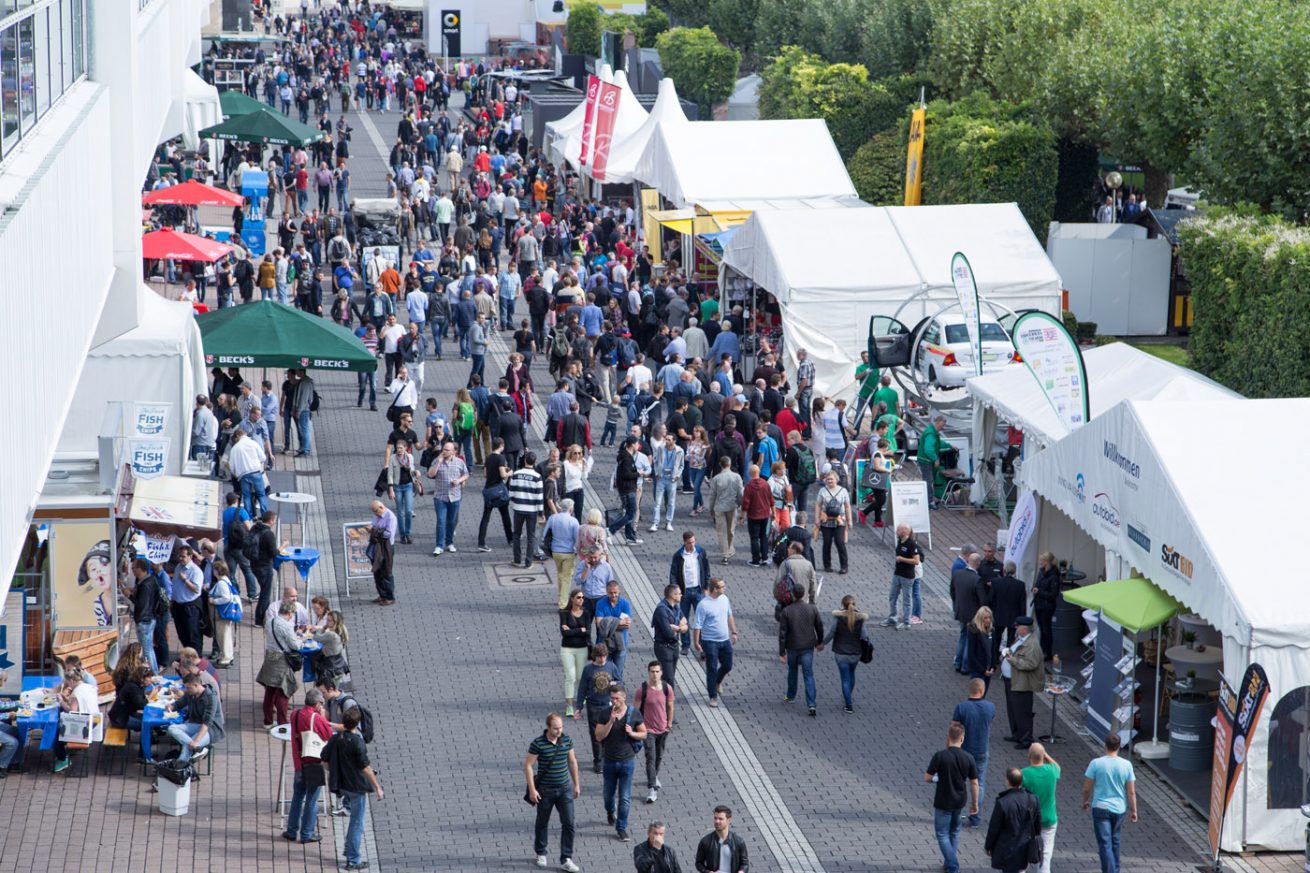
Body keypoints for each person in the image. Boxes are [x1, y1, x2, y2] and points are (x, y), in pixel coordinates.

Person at [323, 707, 384, 871]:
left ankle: (349, 850)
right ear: (356, 724)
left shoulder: (336, 739)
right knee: (357, 823)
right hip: (356, 787)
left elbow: (324, 759)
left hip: (341, 785)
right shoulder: (358, 742)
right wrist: (377, 787)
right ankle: (353, 859)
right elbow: (365, 768)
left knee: (355, 821)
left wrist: (335, 769)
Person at [525, 712, 583, 873]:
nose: (559, 731)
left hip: (564, 788)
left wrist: (576, 784)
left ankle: (566, 858)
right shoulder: (538, 743)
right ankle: (541, 851)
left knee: (569, 823)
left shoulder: (566, 740)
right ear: (548, 727)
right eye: (556, 728)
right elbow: (528, 766)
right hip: (546, 789)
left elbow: (572, 761)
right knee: (542, 822)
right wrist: (532, 789)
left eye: (561, 727)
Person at [594, 684, 647, 843]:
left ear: (624, 697)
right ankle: (610, 811)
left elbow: (644, 733)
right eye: (612, 698)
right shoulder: (605, 713)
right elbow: (598, 736)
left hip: (627, 762)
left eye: (617, 698)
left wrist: (632, 733)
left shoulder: (633, 713)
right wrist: (610, 721)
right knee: (608, 795)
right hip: (609, 761)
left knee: (624, 797)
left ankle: (621, 827)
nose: (614, 701)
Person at [925, 723, 980, 873]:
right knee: (954, 831)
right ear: (962, 738)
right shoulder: (968, 757)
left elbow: (927, 777)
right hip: (959, 800)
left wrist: (936, 778)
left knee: (942, 833)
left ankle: (953, 865)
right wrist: (975, 803)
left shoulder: (940, 756)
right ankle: (949, 862)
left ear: (948, 737)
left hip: (943, 800)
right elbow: (974, 782)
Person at [284, 688, 333, 844]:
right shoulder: (316, 718)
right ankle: (307, 833)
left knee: (297, 797)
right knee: (312, 799)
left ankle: (291, 831)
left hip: (299, 762)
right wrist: (323, 716)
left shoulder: (295, 714)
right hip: (313, 764)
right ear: (318, 704)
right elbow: (328, 735)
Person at [1083, 734, 1136, 873]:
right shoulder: (1127, 765)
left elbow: (1087, 787)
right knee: (1115, 840)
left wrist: (1085, 801)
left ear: (1105, 745)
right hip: (1119, 808)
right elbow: (1131, 792)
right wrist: (1134, 810)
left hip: (1100, 807)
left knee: (1105, 843)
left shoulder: (1096, 763)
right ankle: (1115, 870)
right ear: (1118, 747)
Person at [953, 677, 997, 827]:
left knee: (959, 783)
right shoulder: (990, 707)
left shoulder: (961, 707)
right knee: (979, 783)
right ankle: (975, 817)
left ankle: (957, 816)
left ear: (969, 690)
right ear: (982, 690)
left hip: (965, 750)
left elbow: (954, 728)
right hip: (982, 750)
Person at [778, 578, 825, 716]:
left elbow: (782, 633)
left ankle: (791, 695)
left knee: (792, 670)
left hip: (792, 646)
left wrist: (781, 651)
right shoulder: (812, 608)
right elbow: (819, 626)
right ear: (804, 594)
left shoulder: (787, 611)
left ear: (792, 594)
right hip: (807, 646)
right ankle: (811, 704)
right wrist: (819, 641)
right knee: (808, 674)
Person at [984, 768, 1042, 873]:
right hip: (1025, 848)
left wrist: (989, 846)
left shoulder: (1003, 802)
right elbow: (1037, 825)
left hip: (1007, 849)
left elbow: (994, 828)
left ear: (1008, 781)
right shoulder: (1033, 799)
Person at [691, 577, 737, 708]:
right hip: (709, 642)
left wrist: (734, 632)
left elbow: (729, 615)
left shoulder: (724, 599)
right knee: (711, 668)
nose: (725, 588)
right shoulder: (703, 605)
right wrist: (696, 642)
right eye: (722, 586)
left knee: (727, 665)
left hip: (725, 640)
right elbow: (697, 625)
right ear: (715, 589)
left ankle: (717, 681)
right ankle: (712, 696)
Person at [822, 595, 870, 714]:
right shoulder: (860, 618)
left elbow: (831, 633)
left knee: (844, 678)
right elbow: (864, 636)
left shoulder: (838, 617)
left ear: (842, 604)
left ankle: (849, 705)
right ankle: (848, 695)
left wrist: (823, 643)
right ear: (855, 604)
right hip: (856, 653)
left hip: (840, 653)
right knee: (851, 674)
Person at [635, 660, 675, 804]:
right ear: (648, 672)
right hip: (648, 730)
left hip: (663, 729)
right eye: (652, 671)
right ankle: (652, 788)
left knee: (659, 756)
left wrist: (669, 723)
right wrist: (639, 727)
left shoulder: (666, 688)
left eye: (657, 671)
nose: (655, 674)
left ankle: (654, 776)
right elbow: (635, 711)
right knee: (650, 757)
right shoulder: (642, 690)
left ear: (661, 673)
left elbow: (670, 707)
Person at [1001, 617, 1044, 748]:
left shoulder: (1032, 645)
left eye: (1017, 626)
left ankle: (1026, 739)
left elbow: (1031, 664)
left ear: (1024, 629)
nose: (1015, 627)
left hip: (1022, 684)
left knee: (1022, 712)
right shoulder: (1020, 638)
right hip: (1012, 681)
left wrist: (1011, 660)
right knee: (1013, 710)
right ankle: (1017, 734)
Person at [256, 601, 300, 728]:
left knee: (269, 691)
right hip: (282, 661)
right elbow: (295, 645)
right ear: (290, 612)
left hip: (270, 658)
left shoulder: (270, 621)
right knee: (282, 692)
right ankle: (282, 722)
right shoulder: (286, 626)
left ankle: (268, 721)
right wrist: (301, 641)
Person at [166, 671, 223, 765]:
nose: (186, 690)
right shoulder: (191, 693)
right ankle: (197, 749)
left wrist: (196, 740)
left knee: (187, 747)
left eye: (188, 688)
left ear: (196, 685)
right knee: (171, 728)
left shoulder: (210, 698)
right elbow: (180, 703)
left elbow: (207, 723)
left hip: (210, 729)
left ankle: (179, 766)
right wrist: (171, 706)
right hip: (195, 724)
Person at [1022, 743, 1061, 873]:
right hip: (1049, 818)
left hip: (1029, 820)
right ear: (1043, 756)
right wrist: (1045, 755)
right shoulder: (1051, 771)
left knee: (1023, 849)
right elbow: (1057, 767)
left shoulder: (1025, 773)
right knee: (1046, 853)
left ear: (1029, 757)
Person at [668, 531, 708, 657]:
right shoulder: (678, 555)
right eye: (689, 542)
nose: (692, 545)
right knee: (683, 620)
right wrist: (676, 593)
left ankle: (702, 647)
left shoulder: (700, 552)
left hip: (698, 590)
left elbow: (706, 570)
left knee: (700, 620)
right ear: (684, 542)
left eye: (693, 542)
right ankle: (685, 645)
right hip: (684, 593)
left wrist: (706, 587)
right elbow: (673, 574)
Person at [427, 439, 469, 555]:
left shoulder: (459, 462)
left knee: (451, 521)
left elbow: (466, 474)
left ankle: (449, 543)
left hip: (455, 497)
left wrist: (459, 480)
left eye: (447, 450)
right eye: (443, 449)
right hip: (440, 497)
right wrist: (438, 462)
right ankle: (439, 545)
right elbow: (430, 474)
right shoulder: (437, 460)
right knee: (441, 521)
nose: (444, 451)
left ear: (453, 452)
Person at [705, 457, 743, 565]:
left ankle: (725, 554)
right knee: (731, 530)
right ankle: (729, 549)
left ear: (720, 465)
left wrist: (711, 509)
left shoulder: (716, 479)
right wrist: (739, 504)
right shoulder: (737, 477)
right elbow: (740, 493)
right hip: (732, 507)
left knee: (721, 532)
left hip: (719, 508)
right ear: (730, 464)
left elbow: (712, 496)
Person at [594, 580, 635, 679]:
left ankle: (617, 693)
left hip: (620, 644)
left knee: (618, 674)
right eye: (611, 593)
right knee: (603, 674)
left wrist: (608, 622)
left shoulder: (625, 604)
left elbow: (627, 626)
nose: (613, 595)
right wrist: (618, 622)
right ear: (607, 592)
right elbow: (600, 625)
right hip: (604, 644)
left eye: (615, 592)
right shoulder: (601, 603)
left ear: (619, 591)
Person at [559, 590, 591, 718]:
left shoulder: (586, 613)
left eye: (583, 597)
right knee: (570, 677)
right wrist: (580, 630)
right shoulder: (564, 613)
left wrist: (572, 630)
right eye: (578, 597)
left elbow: (588, 632)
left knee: (579, 677)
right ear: (572, 599)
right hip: (567, 649)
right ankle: (569, 705)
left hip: (582, 649)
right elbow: (564, 633)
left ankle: (581, 696)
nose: (581, 599)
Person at [812, 470, 851, 575]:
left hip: (839, 520)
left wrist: (849, 520)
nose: (829, 481)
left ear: (836, 480)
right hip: (826, 520)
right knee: (827, 543)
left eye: (831, 479)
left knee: (840, 542)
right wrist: (816, 519)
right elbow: (818, 505)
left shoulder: (843, 491)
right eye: (828, 479)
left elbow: (847, 506)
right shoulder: (822, 491)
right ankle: (827, 565)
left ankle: (844, 566)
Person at [545, 499, 581, 610]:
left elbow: (545, 534)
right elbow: (577, 539)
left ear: (560, 508)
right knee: (566, 578)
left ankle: (561, 596)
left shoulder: (553, 518)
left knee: (560, 575)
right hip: (568, 552)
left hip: (555, 551)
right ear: (571, 508)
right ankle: (563, 604)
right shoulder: (573, 521)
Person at [951, 552, 983, 673]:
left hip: (960, 611)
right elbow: (982, 600)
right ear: (978, 564)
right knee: (970, 640)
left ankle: (957, 663)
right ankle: (965, 666)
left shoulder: (958, 574)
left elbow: (952, 591)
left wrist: (957, 605)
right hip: (973, 615)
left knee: (962, 636)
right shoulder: (977, 579)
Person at [650, 583, 687, 690]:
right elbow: (668, 634)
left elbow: (685, 622)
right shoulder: (661, 610)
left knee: (670, 676)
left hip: (674, 647)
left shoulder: (677, 607)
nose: (681, 595)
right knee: (668, 678)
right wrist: (680, 628)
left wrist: (677, 627)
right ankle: (668, 701)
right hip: (664, 647)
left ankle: (663, 697)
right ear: (673, 595)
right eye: (679, 594)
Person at [694, 805, 749, 873]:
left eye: (720, 819)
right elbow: (698, 863)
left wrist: (742, 871)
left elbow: (745, 863)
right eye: (715, 818)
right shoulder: (705, 842)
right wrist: (707, 872)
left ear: (729, 820)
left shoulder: (738, 841)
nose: (717, 821)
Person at [739, 464, 772, 568]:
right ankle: (765, 558)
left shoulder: (749, 486)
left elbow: (745, 504)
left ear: (750, 473)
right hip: (765, 514)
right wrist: (774, 513)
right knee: (764, 536)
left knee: (754, 538)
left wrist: (742, 517)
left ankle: (756, 560)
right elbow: (771, 500)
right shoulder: (765, 484)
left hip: (753, 516)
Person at [1032, 552, 1062, 660]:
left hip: (1047, 606)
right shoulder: (1042, 572)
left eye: (1042, 561)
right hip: (1039, 604)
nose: (1040, 562)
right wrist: (1036, 589)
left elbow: (1053, 594)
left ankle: (1047, 652)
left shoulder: (1054, 576)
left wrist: (1039, 592)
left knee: (1046, 629)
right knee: (1042, 628)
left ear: (1047, 562)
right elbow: (1038, 584)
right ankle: (1042, 649)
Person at [208, 559, 238, 667]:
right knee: (226, 636)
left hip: (221, 614)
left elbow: (227, 598)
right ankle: (228, 656)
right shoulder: (225, 580)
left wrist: (214, 601)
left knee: (223, 636)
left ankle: (225, 659)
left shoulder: (221, 583)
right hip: (224, 614)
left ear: (217, 570)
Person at [369, 499, 397, 604]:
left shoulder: (391, 517)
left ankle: (389, 597)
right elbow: (374, 525)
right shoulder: (377, 515)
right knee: (377, 571)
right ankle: (382, 595)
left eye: (376, 511)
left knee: (386, 571)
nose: (375, 514)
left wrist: (374, 530)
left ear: (381, 507)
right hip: (377, 545)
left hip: (387, 547)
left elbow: (389, 535)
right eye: (374, 512)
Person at [965, 606, 996, 694]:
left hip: (988, 670)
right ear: (980, 618)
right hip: (978, 671)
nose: (988, 620)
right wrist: (982, 670)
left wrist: (993, 666)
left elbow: (993, 650)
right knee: (976, 695)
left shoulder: (992, 631)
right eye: (985, 618)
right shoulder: (973, 631)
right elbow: (971, 654)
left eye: (989, 617)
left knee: (983, 694)